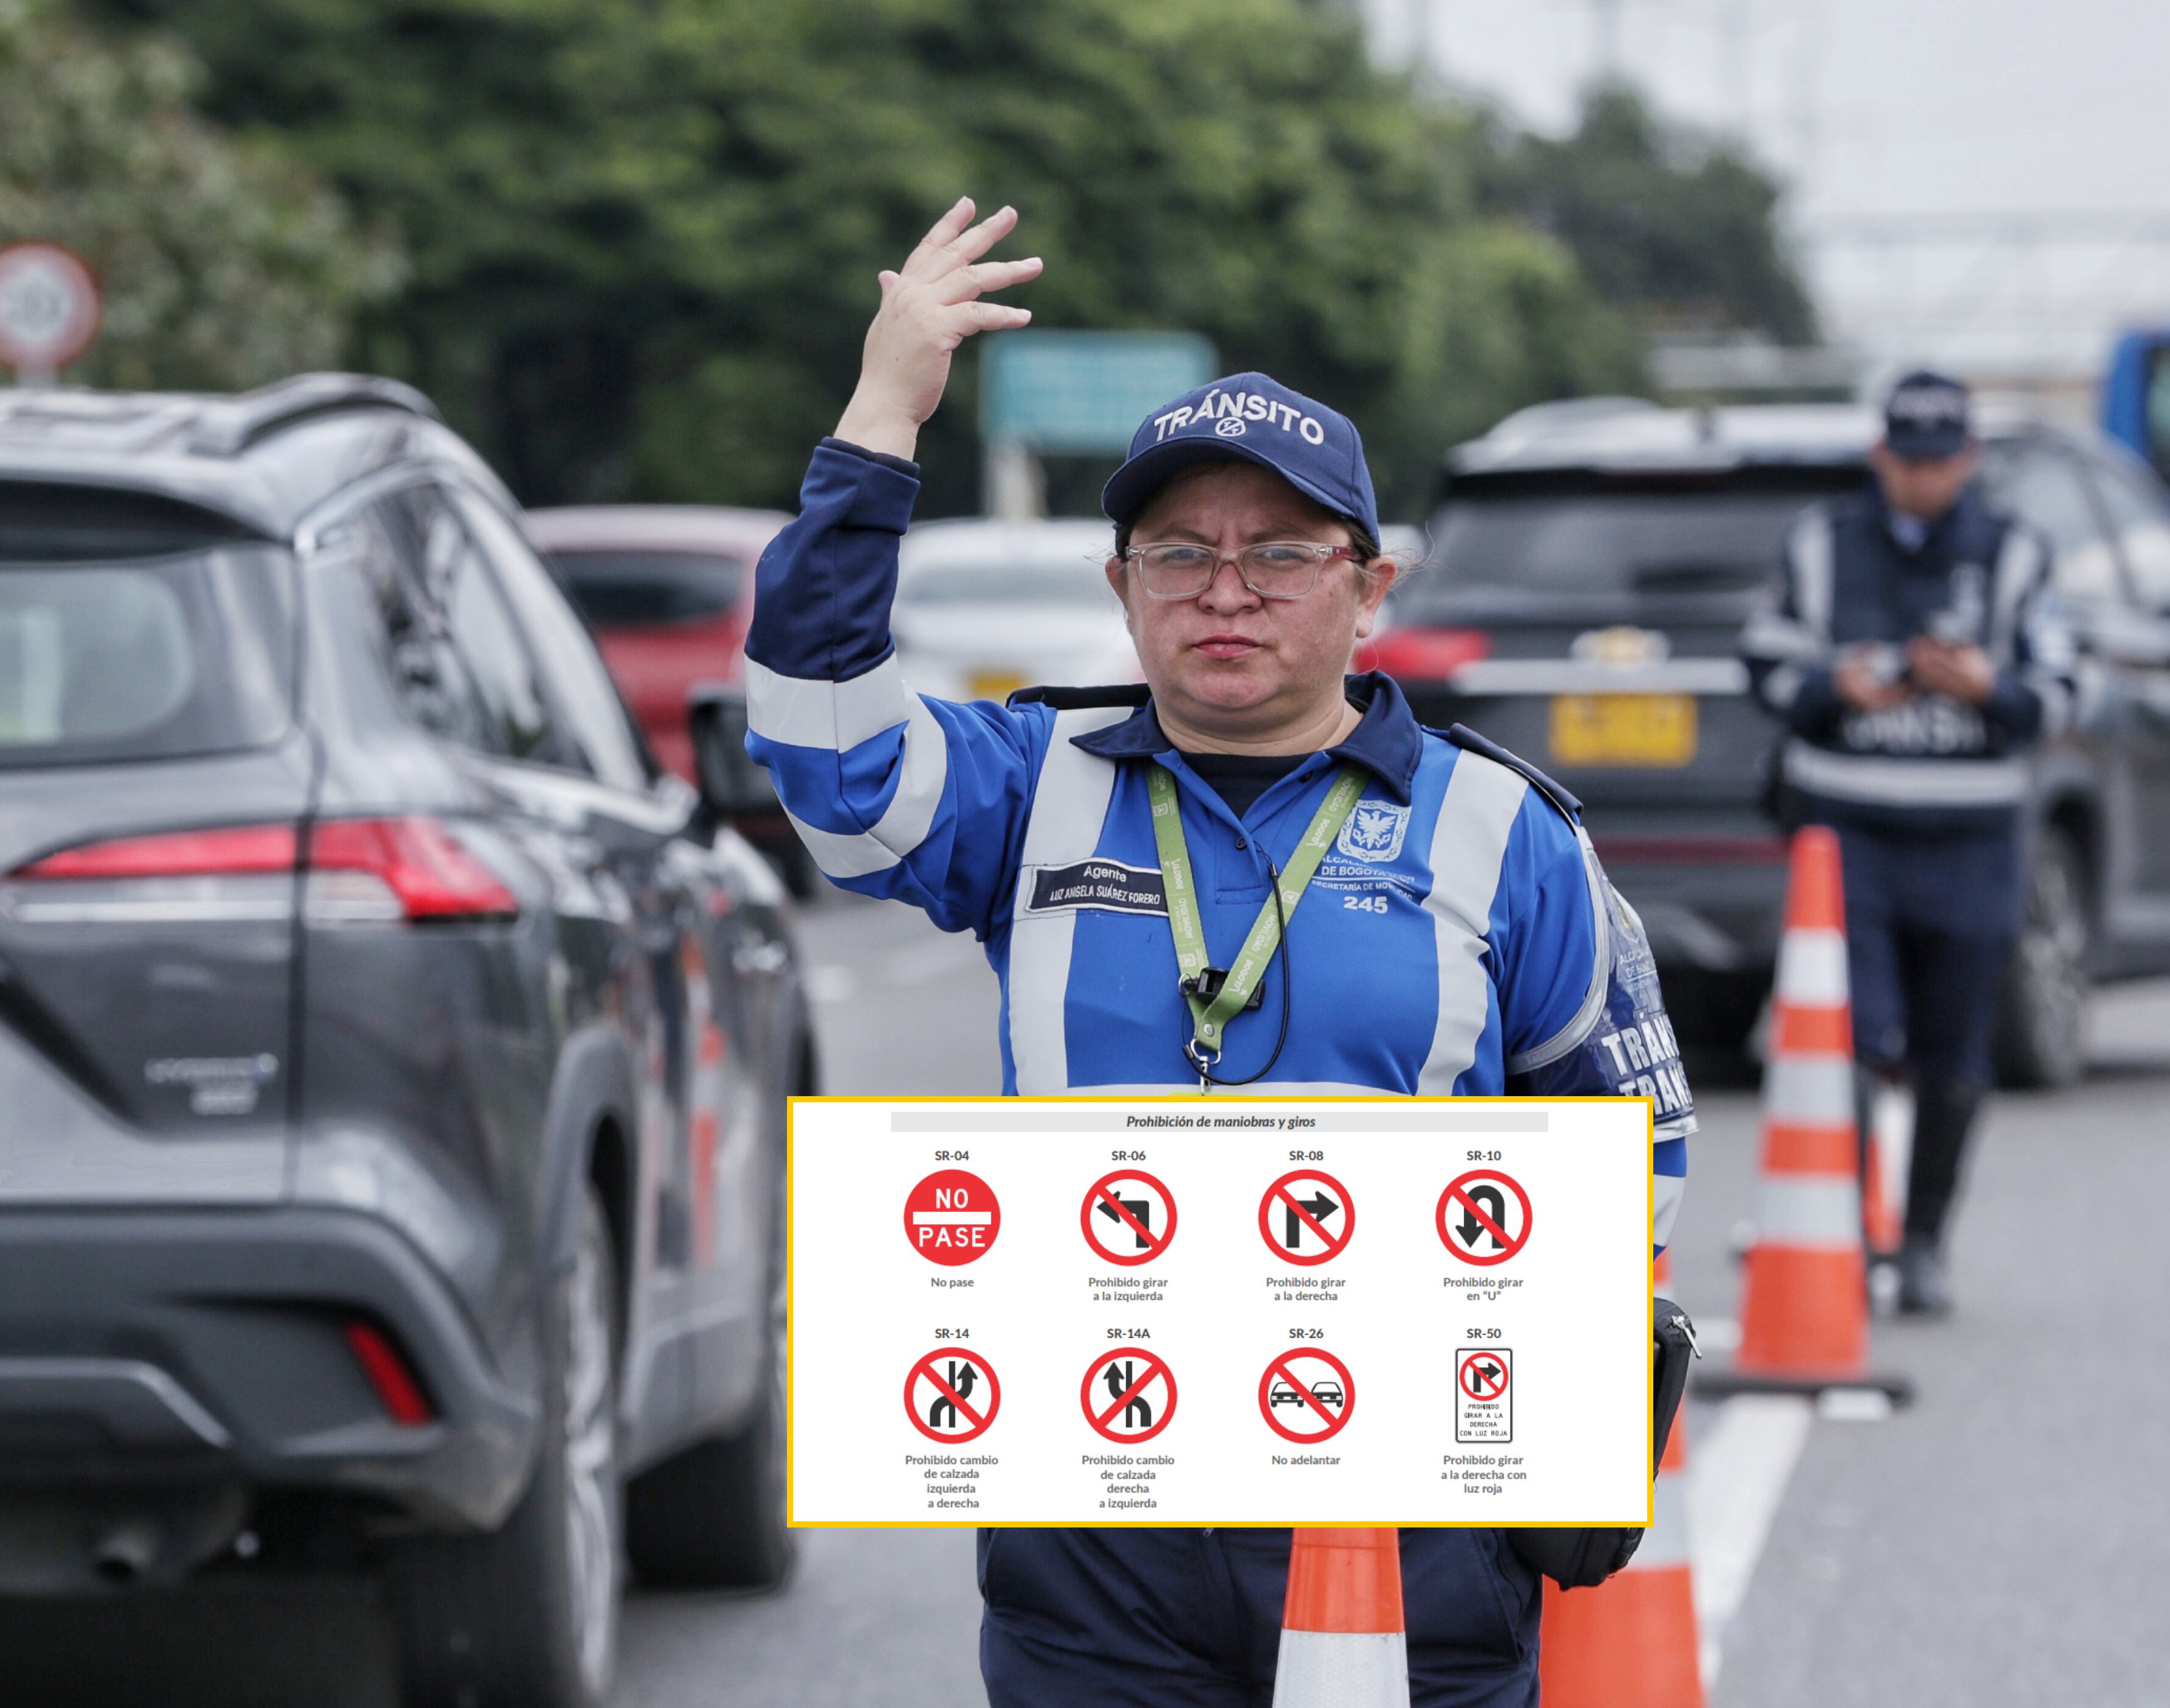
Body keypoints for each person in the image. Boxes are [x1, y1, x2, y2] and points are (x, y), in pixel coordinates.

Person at [744, 198, 1697, 1708]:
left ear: (1371, 589)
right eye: (1177, 553)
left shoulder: (1506, 831)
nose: (1225, 591)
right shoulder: (1025, 780)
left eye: (1280, 552)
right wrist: (880, 419)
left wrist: (1512, 1417)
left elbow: (1624, 1149)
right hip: (1097, 1512)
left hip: (1403, 1518)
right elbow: (821, 751)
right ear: (1117, 587)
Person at [1741, 370, 2072, 1316]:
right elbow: (1762, 665)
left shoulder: (2014, 555)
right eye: (1908, 458)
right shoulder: (1821, 544)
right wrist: (1838, 686)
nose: (1923, 477)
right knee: (1849, 1037)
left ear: (1966, 460)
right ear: (1881, 455)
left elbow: (2059, 694)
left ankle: (1924, 1241)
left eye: (1941, 460)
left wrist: (1982, 686)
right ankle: (1843, 1228)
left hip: (1971, 841)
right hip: (1846, 839)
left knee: (1954, 1053)